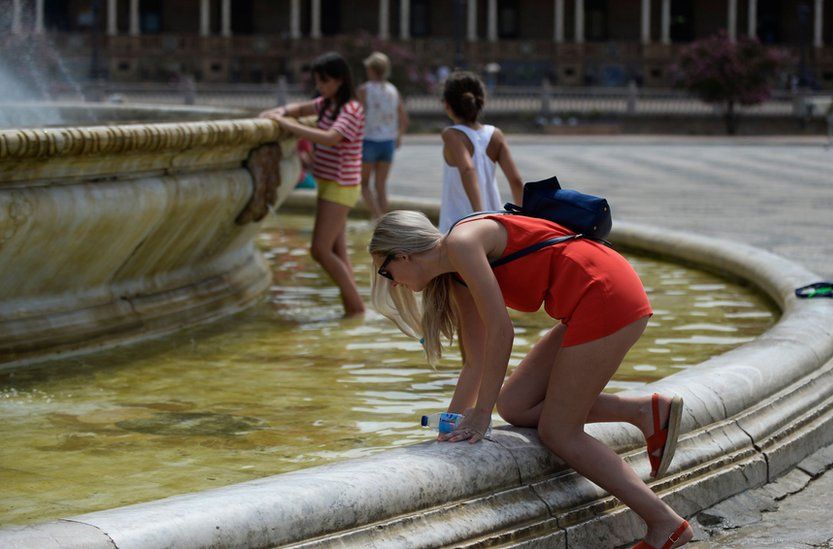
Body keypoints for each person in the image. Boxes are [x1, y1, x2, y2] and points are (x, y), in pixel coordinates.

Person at [368, 210, 693, 549]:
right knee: (515, 404)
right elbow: (476, 360)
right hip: (587, 300)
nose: (391, 282)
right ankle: (642, 411)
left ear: (402, 255)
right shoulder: (456, 273)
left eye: (386, 271)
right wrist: (450, 428)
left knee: (559, 432)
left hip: (606, 294)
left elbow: (502, 332)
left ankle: (665, 523)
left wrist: (481, 414)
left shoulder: (462, 244)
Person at [260, 52, 366, 317]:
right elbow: (300, 108)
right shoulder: (327, 104)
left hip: (341, 186)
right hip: (330, 183)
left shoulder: (351, 109)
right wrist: (280, 111)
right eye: (317, 81)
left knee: (319, 250)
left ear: (340, 80)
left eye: (324, 81)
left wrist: (287, 125)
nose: (319, 86)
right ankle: (352, 310)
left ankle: (357, 307)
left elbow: (331, 138)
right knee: (338, 251)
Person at [438, 71, 523, 233]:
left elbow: (468, 169)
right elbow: (516, 180)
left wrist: (478, 216)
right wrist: (523, 217)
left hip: (460, 225)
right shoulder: (495, 134)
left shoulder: (451, 134)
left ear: (447, 105)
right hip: (495, 223)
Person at [357, 51, 409, 219]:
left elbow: (356, 115)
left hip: (369, 140)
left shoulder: (365, 90)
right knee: (381, 185)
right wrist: (399, 136)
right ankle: (386, 223)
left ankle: (377, 216)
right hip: (388, 142)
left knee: (364, 184)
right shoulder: (393, 90)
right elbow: (404, 118)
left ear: (371, 70)